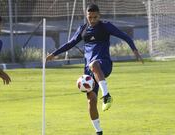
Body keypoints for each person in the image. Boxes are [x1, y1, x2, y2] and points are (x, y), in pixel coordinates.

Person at [46, 4, 143, 135]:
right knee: (91, 101)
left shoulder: (105, 26)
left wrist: (135, 50)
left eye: (95, 17)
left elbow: (125, 36)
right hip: (89, 71)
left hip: (104, 64)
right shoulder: (83, 29)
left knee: (94, 64)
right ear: (86, 16)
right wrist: (54, 54)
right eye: (89, 17)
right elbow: (70, 43)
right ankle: (98, 132)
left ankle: (107, 96)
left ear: (99, 15)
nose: (92, 20)